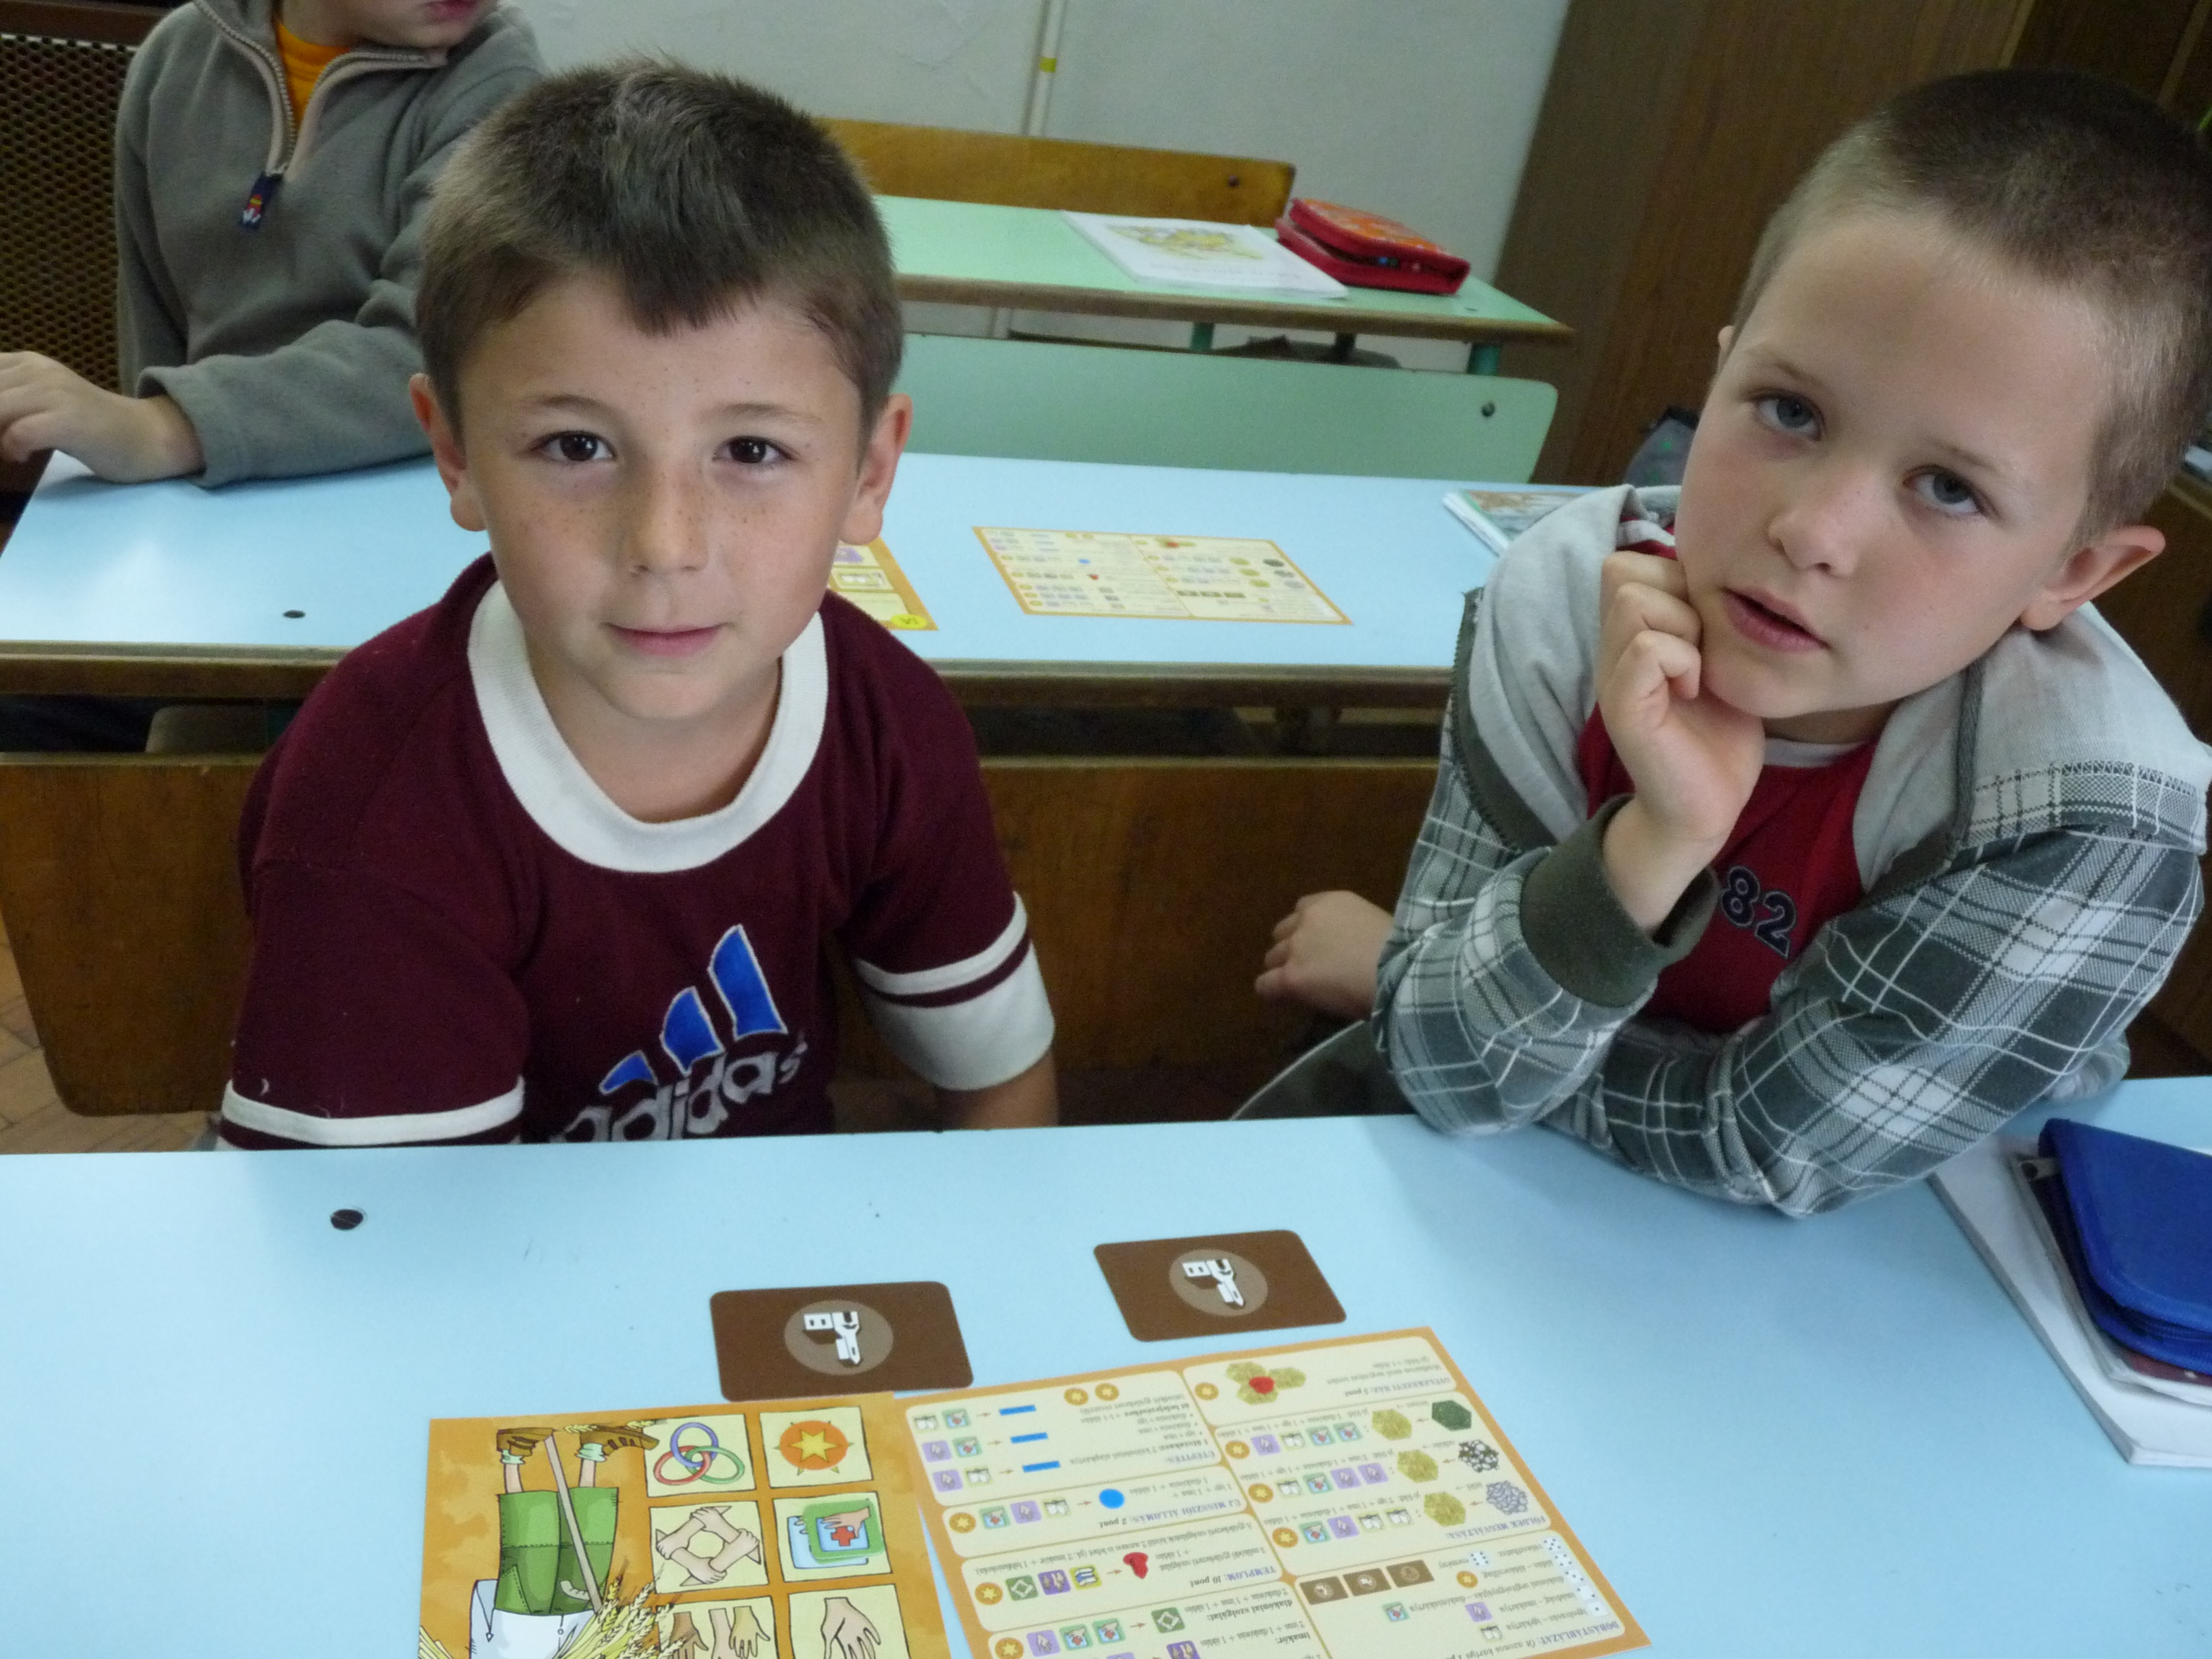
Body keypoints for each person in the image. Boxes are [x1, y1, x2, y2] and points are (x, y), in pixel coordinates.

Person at [1253, 70, 2212, 1215]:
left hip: (1920, 1222)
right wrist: (1648, 848)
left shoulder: (2089, 814)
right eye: (1790, 412)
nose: (1812, 531)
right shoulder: (1564, 603)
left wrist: (1403, 985)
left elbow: (1761, 1147)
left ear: (2073, 571)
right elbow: (1449, 1074)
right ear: (1717, 377)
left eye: (1949, 489)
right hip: (1546, 1195)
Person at [216, 63, 1058, 1147]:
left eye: (752, 450)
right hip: (460, 1244)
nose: (664, 546)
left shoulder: (884, 721)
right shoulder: (378, 808)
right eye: (577, 446)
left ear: (869, 472)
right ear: (454, 452)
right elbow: (396, 1237)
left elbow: (1000, 1087)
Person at [0, 0, 539, 488]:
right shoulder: (176, 57)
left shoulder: (497, 81)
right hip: (211, 485)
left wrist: (163, 430)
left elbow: (440, 356)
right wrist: (145, 445)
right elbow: (153, 311)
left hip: (405, 488)